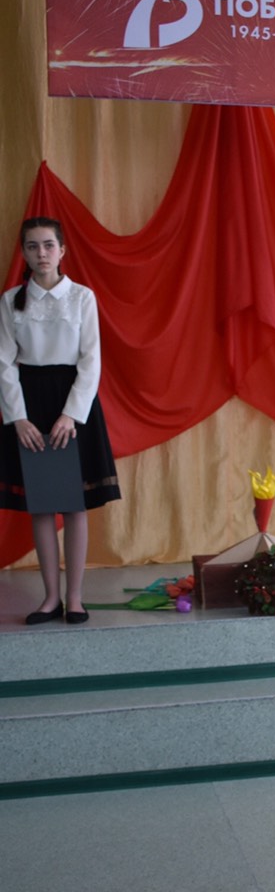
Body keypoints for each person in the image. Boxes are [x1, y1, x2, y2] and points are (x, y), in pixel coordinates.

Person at [0, 217, 120, 624]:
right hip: (29, 404)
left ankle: (75, 598)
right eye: (33, 246)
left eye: (49, 245)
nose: (42, 253)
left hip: (73, 404)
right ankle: (50, 598)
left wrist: (71, 414)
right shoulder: (10, 301)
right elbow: (4, 364)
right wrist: (18, 418)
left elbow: (91, 360)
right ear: (24, 252)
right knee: (42, 504)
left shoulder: (82, 297)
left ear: (62, 250)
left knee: (73, 505)